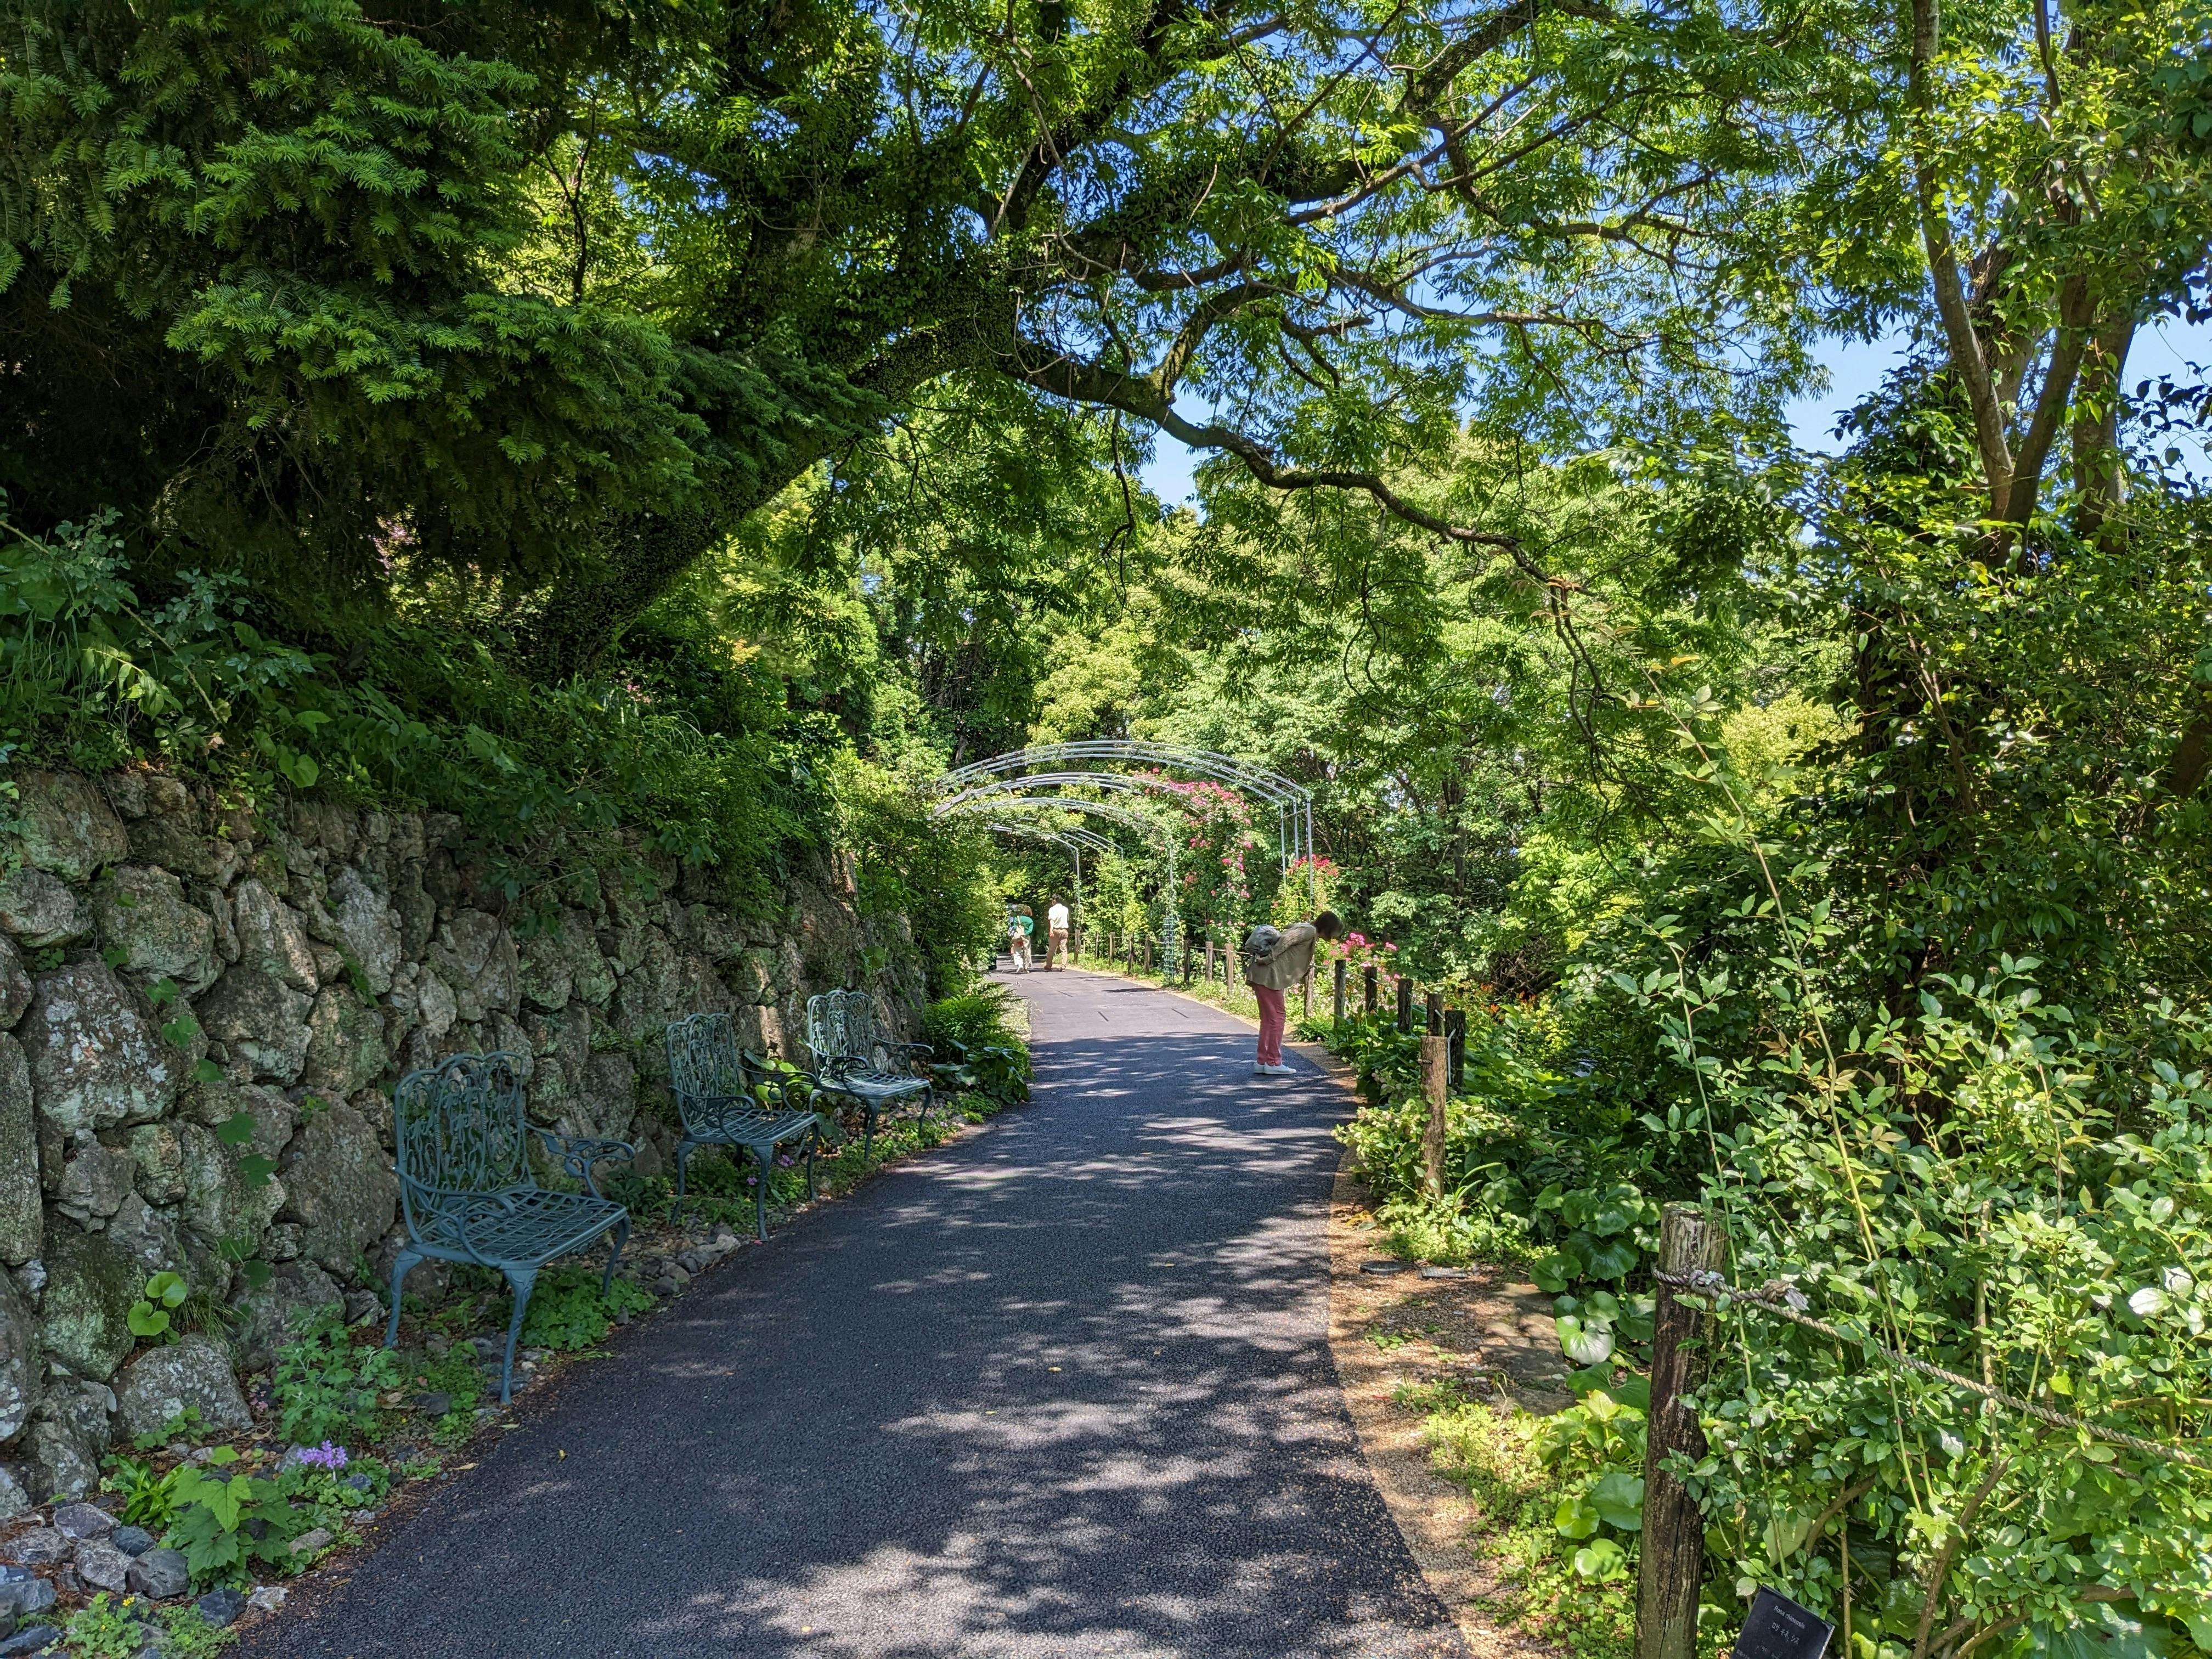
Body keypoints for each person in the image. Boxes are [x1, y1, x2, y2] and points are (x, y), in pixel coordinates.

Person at [1244, 911, 1343, 1075]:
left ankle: (1263, 1061)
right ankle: (1273, 1062)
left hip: (1264, 975)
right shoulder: (1309, 930)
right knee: (1277, 1018)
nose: (1334, 937)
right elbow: (1286, 941)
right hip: (1270, 976)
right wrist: (1269, 959)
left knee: (1269, 1019)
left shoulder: (1308, 930)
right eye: (1334, 932)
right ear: (1328, 928)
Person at [1008, 905, 1035, 973]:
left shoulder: (1017, 918)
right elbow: (1030, 930)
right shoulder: (1030, 920)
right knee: (1027, 951)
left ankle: (1020, 965)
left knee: (1017, 951)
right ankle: (1026, 967)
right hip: (1026, 937)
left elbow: (1012, 926)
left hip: (1017, 936)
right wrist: (1025, 934)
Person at [1046, 898, 1071, 968]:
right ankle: (1063, 966)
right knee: (1064, 949)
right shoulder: (1066, 909)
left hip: (1056, 930)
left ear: (1054, 901)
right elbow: (1068, 919)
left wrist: (1051, 930)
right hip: (1064, 930)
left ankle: (1049, 965)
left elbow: (1052, 920)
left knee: (1052, 949)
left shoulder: (1052, 909)